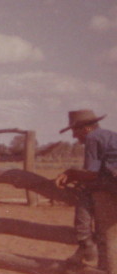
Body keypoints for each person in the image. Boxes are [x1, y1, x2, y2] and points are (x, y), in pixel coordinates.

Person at [55, 110, 117, 265]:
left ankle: (85, 242)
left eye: (75, 130)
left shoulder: (92, 137)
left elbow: (91, 174)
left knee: (83, 190)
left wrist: (70, 173)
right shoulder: (109, 135)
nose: (74, 136)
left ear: (86, 128)